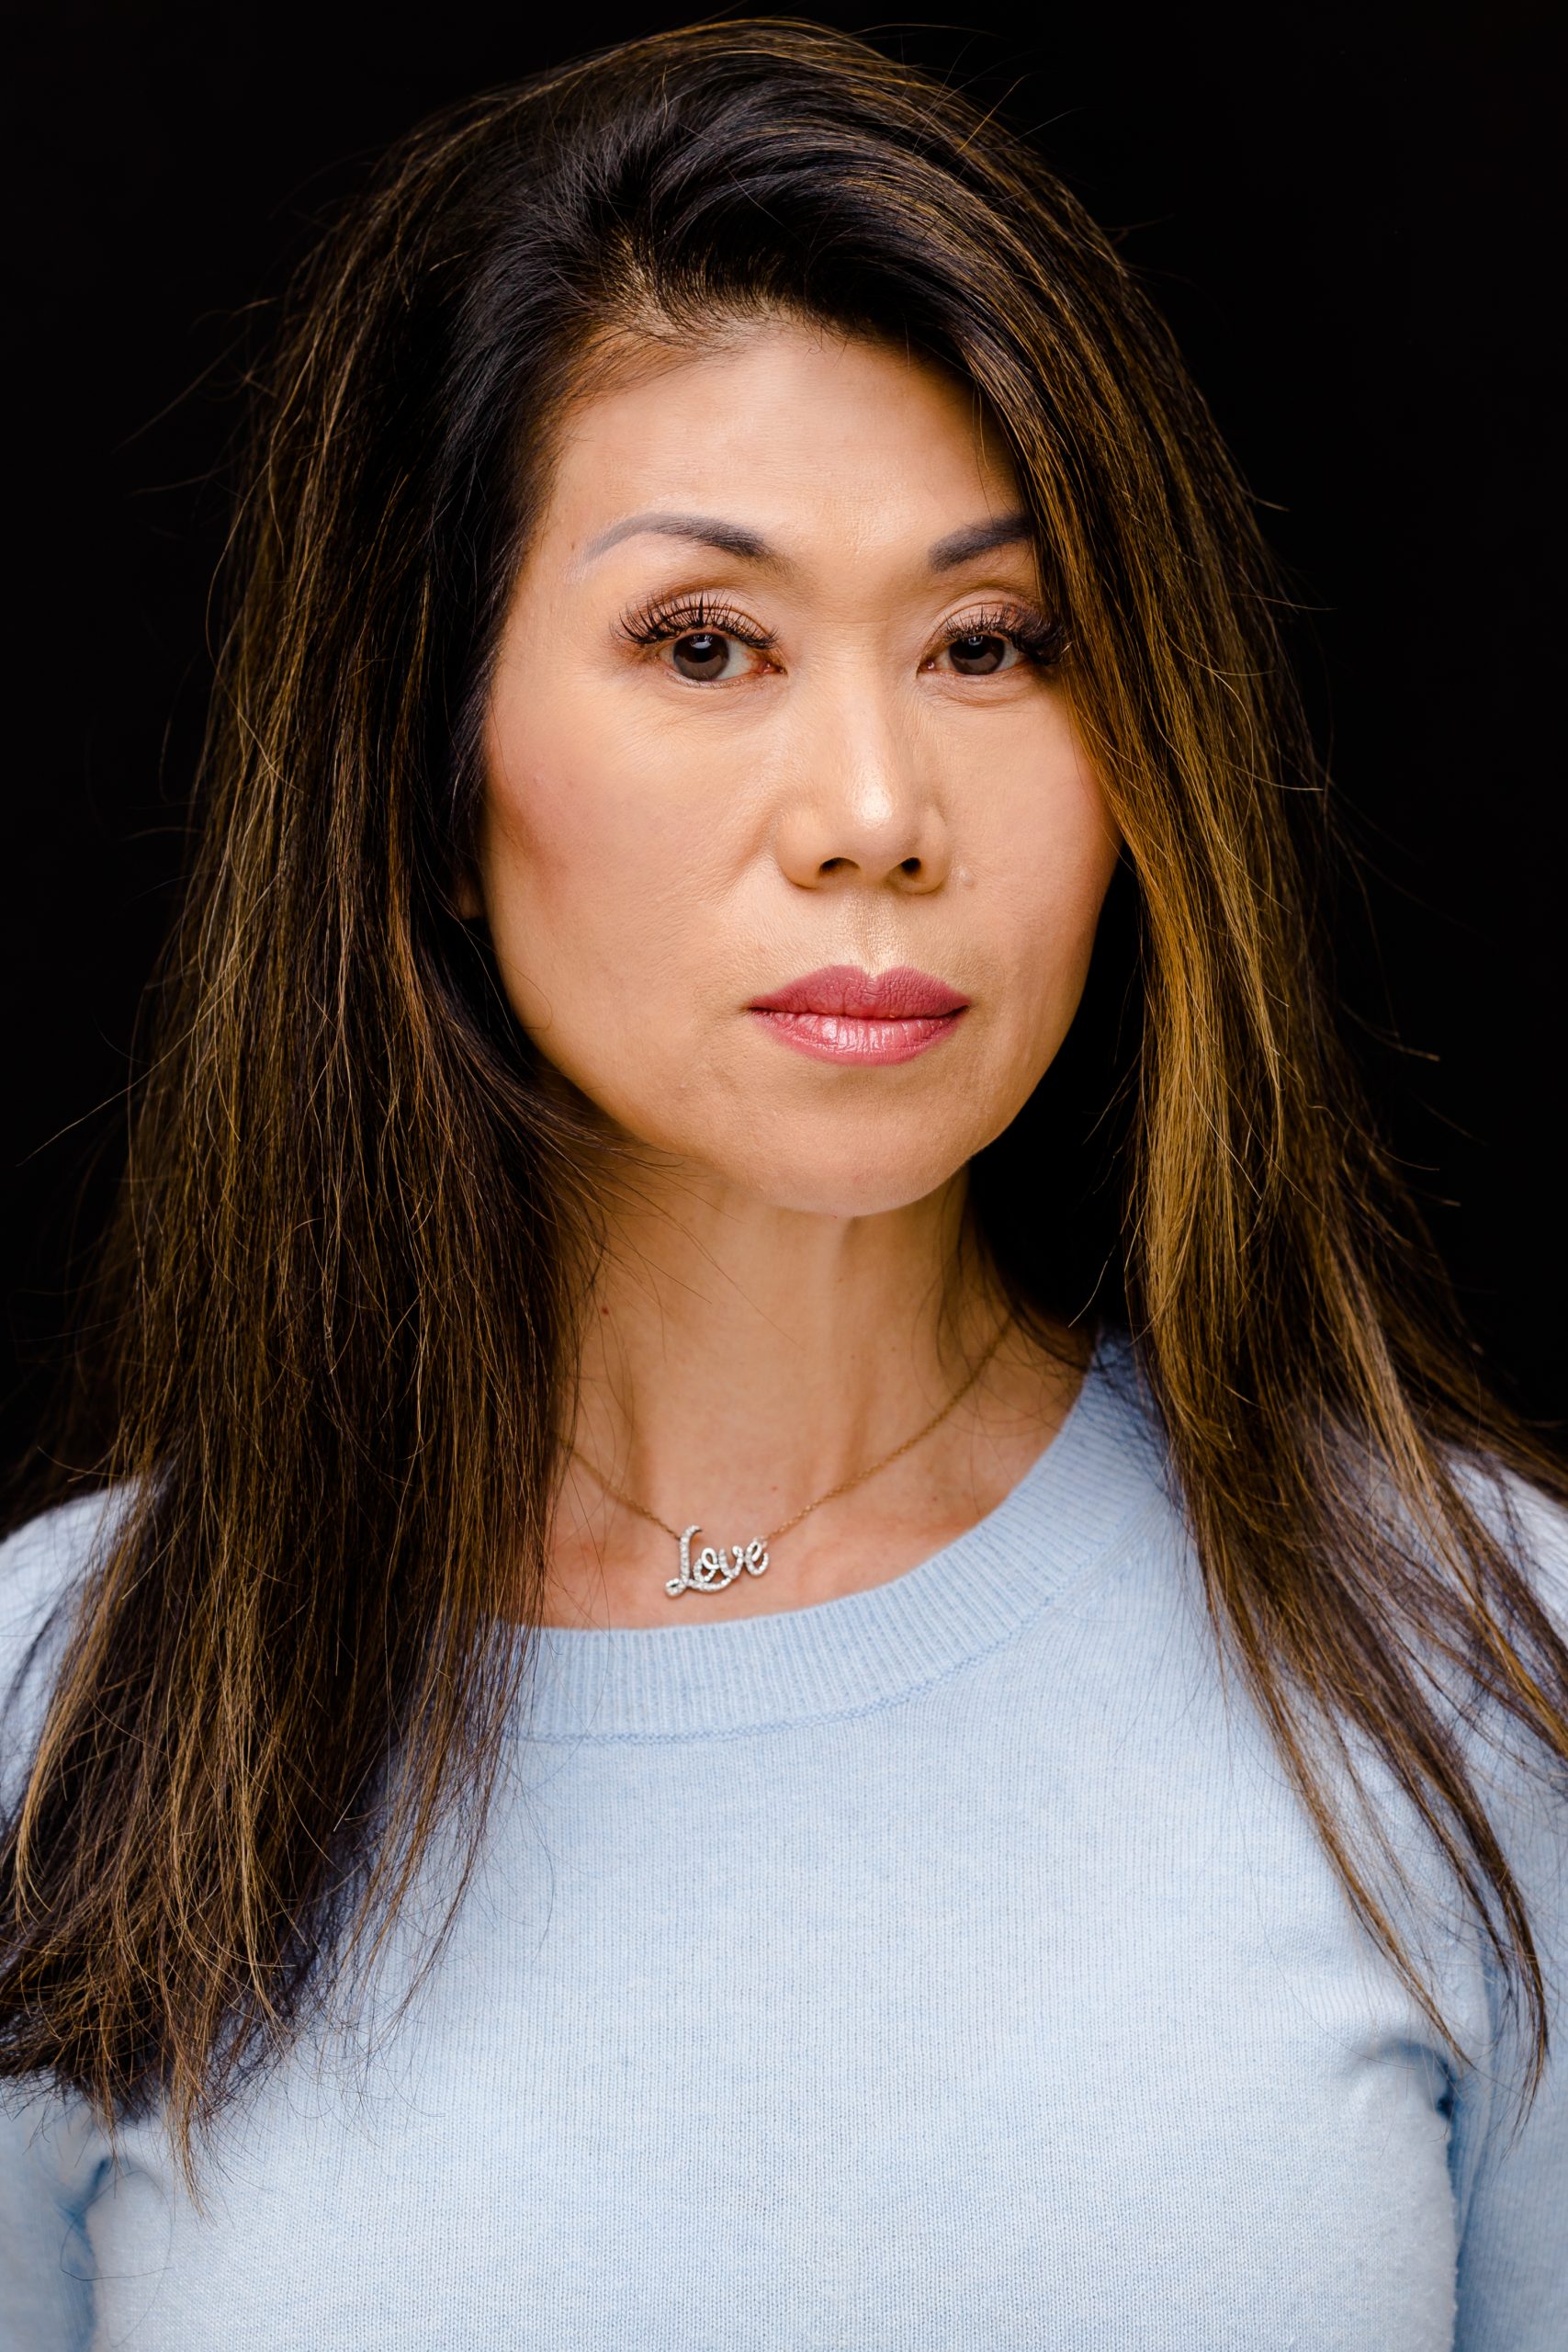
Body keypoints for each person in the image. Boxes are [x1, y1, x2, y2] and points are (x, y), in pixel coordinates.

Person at [2, 19, 1564, 2347]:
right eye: (704, 643)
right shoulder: (63, 1722)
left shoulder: (1478, 1676)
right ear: (427, 770)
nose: (871, 809)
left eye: (986, 643)